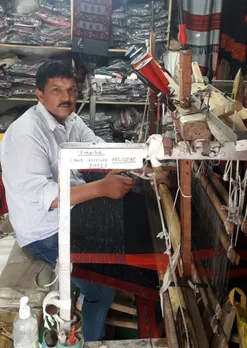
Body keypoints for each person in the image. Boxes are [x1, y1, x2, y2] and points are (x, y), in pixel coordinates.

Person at [1, 60, 170, 341]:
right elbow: (48, 198)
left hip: (72, 208)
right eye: (56, 90)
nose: (66, 97)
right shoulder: (26, 136)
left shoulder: (70, 120)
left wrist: (145, 166)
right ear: (39, 95)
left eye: (71, 89)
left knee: (133, 218)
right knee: (101, 289)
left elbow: (97, 148)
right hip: (43, 229)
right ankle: (91, 340)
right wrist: (102, 188)